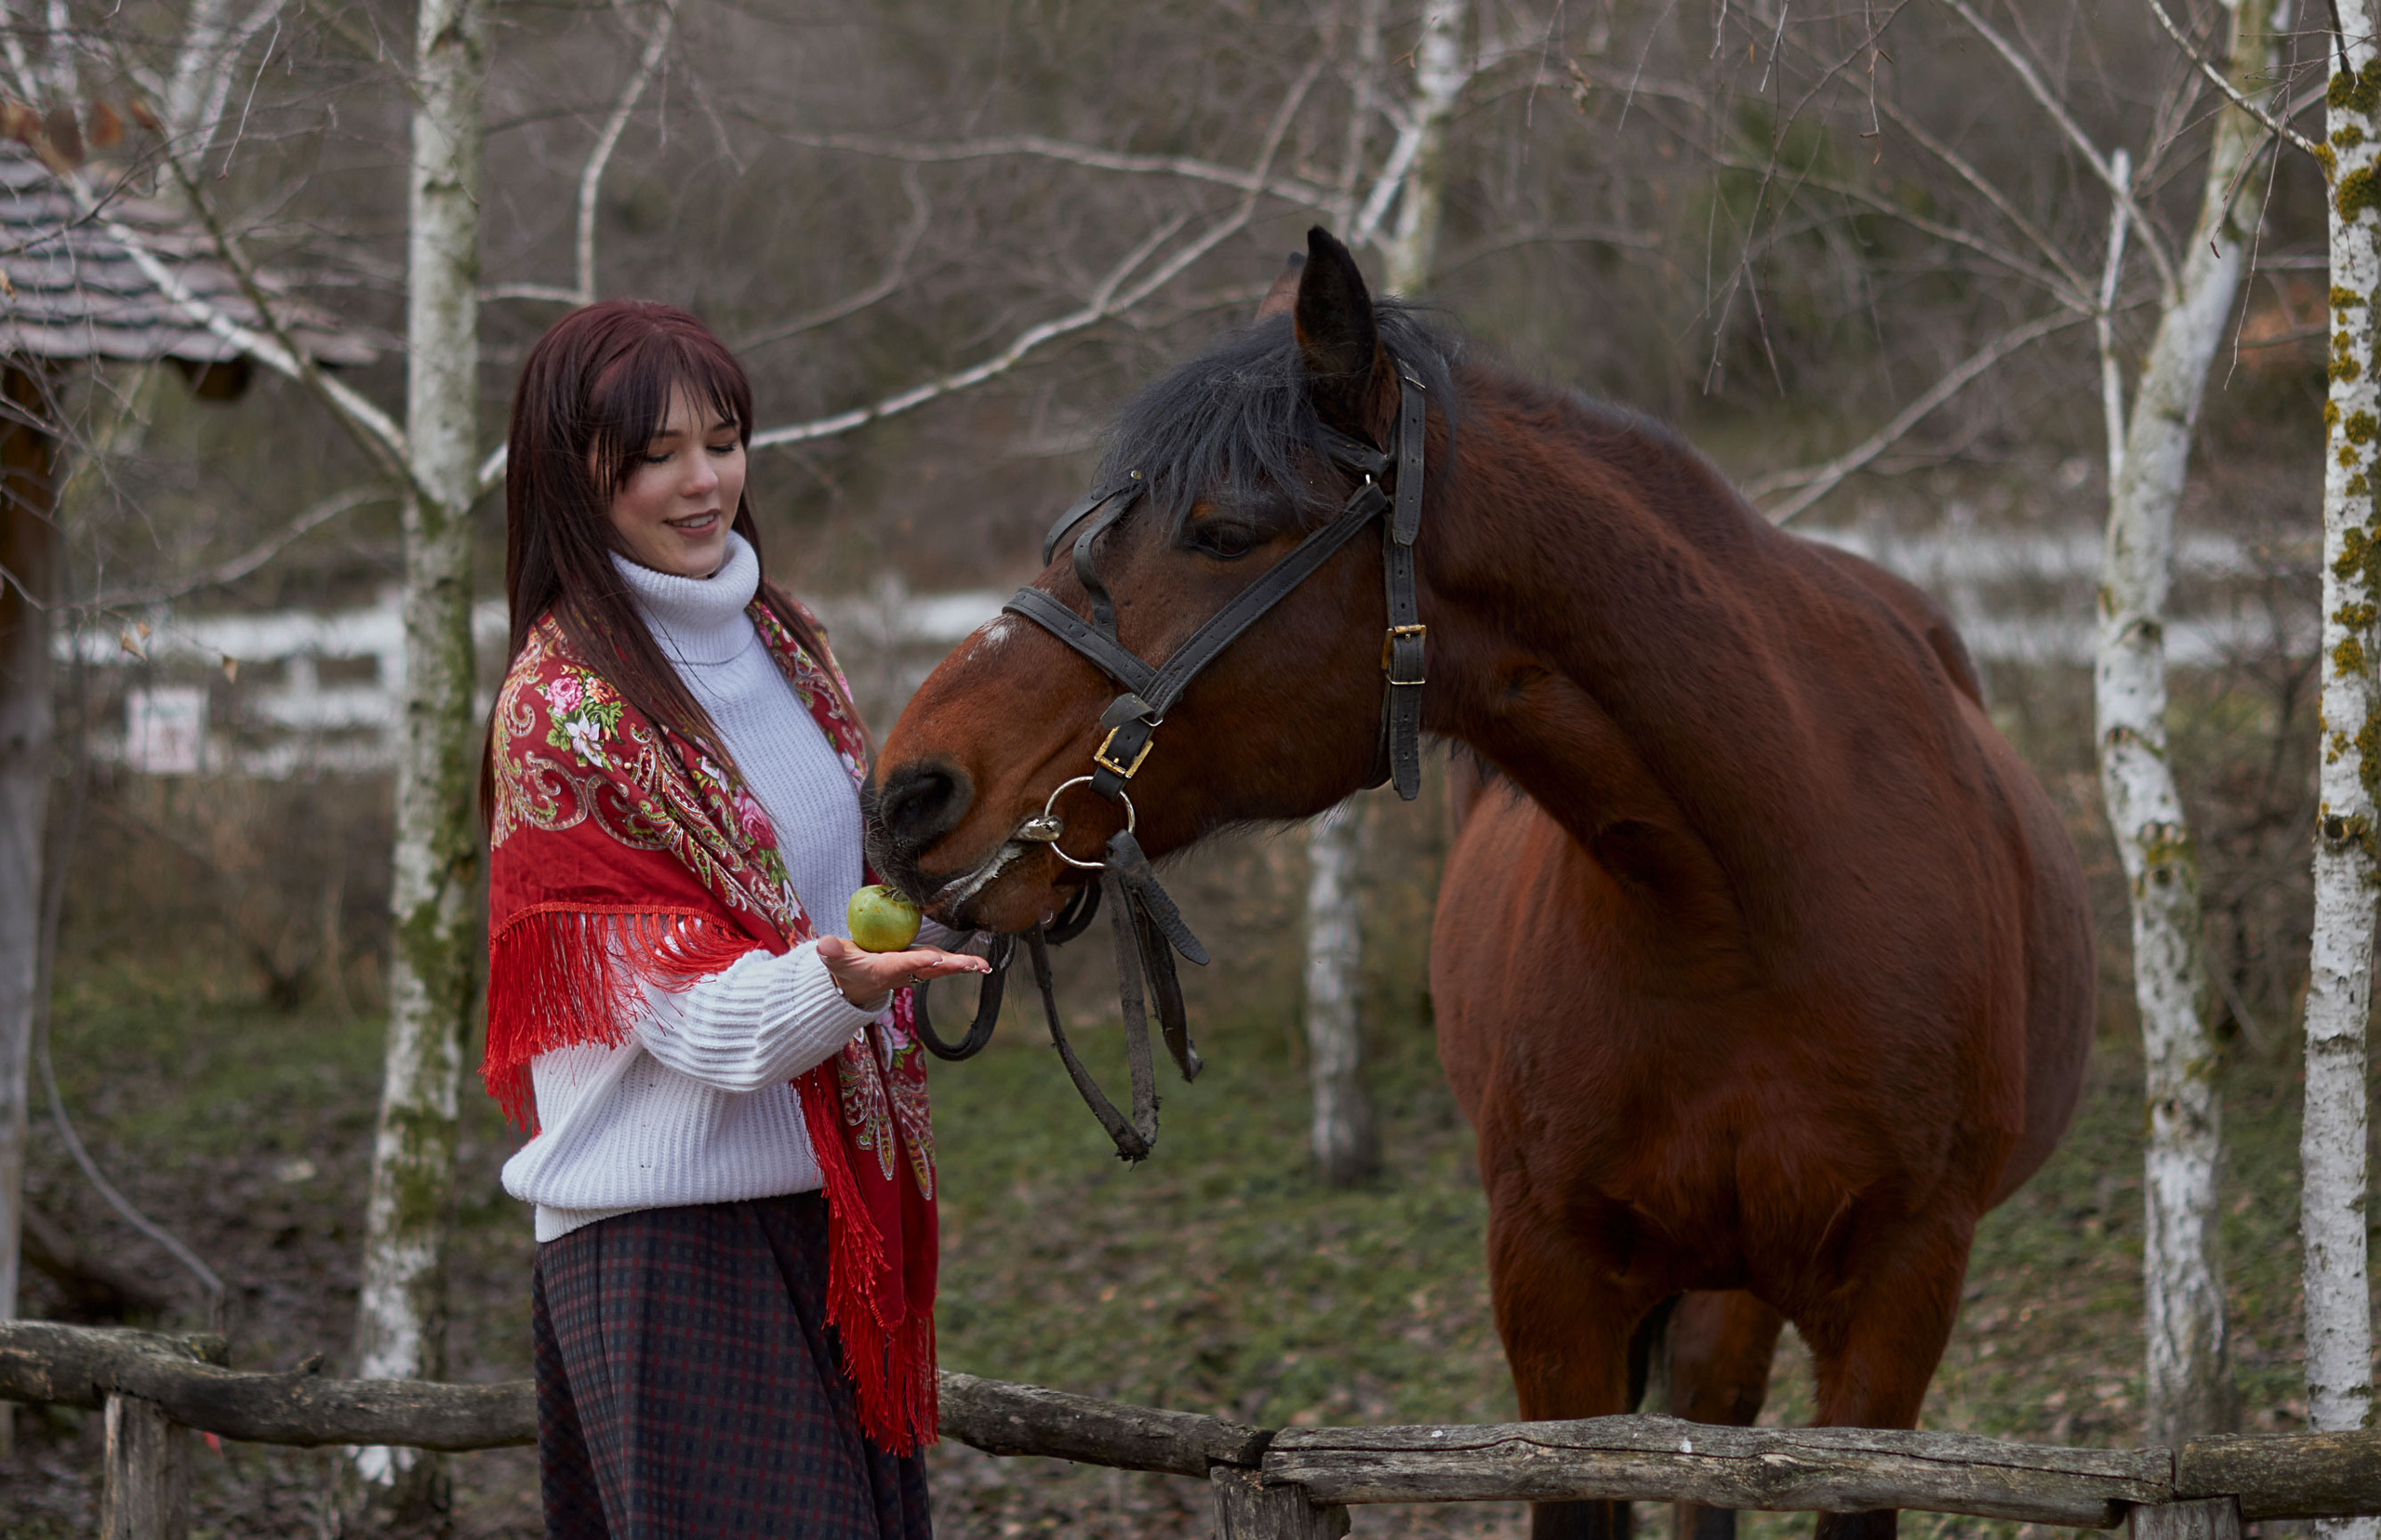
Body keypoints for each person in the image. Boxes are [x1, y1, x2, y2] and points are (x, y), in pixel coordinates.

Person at [479, 299, 987, 1538]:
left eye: (725, 438)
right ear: (570, 473)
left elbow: (847, 883)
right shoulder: (564, 716)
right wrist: (850, 983)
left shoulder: (785, 641)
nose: (704, 481)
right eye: (655, 456)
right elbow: (698, 1026)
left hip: (827, 1223)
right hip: (661, 1253)